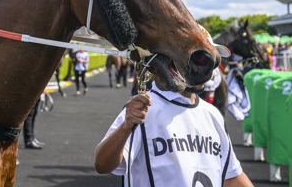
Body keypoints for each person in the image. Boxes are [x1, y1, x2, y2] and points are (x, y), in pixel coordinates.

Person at [94, 26, 254, 187]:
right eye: (199, 59)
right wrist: (125, 127)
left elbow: (232, 176)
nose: (208, 69)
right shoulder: (144, 109)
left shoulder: (213, 115)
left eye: (211, 60)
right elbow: (102, 164)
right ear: (169, 58)